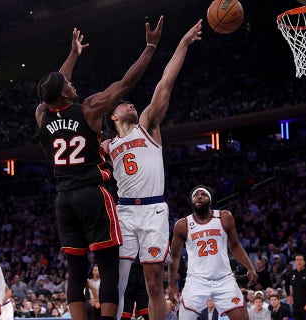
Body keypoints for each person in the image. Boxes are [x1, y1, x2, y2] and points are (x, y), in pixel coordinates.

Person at [35, 16, 163, 320]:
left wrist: (73, 56)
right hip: (92, 194)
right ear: (64, 94)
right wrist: (150, 46)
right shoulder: (89, 109)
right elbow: (127, 83)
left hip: (63, 199)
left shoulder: (42, 114)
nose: (71, 82)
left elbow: (51, 93)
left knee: (76, 271)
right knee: (107, 267)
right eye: (67, 83)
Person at [103, 19, 203, 320]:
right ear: (113, 116)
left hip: (153, 211)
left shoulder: (147, 124)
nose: (129, 104)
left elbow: (165, 82)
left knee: (153, 284)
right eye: (123, 105)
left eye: (131, 103)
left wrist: (182, 44)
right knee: (117, 283)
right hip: (123, 211)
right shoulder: (107, 145)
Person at [169, 186, 257, 320]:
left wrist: (250, 267)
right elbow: (174, 255)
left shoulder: (225, 217)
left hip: (224, 279)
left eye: (203, 194)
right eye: (195, 195)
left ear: (210, 200)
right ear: (191, 201)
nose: (198, 196)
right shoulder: (182, 225)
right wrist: (171, 284)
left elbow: (235, 245)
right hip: (196, 280)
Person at [285, 254, 306, 320]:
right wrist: (289, 295)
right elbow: (286, 285)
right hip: (296, 305)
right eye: (297, 260)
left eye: (301, 260)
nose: (299, 262)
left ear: (304, 262)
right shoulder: (291, 274)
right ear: (295, 262)